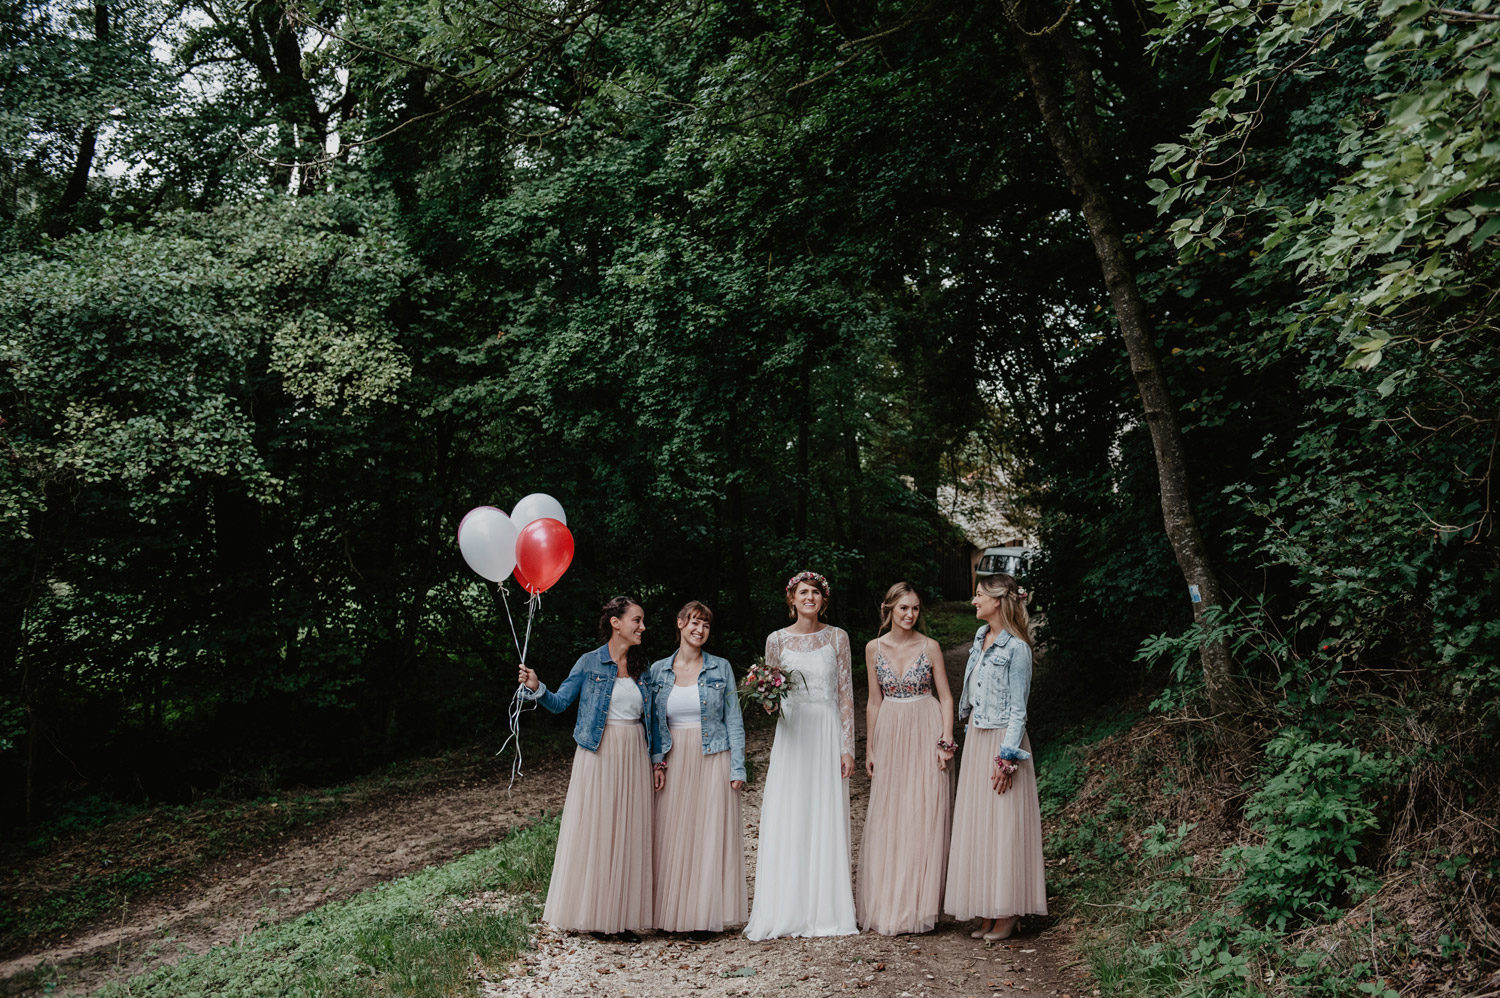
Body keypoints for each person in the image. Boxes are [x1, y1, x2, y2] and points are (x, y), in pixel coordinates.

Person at [518, 596, 664, 940]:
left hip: (634, 753)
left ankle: (624, 918)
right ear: (616, 622)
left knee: (630, 832)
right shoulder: (589, 662)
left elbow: (655, 721)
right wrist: (536, 687)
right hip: (598, 753)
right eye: (637, 620)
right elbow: (559, 703)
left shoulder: (644, 667)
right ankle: (597, 916)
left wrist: (658, 760)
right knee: (599, 831)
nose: (642, 627)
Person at [744, 570, 858, 940]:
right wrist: (764, 696)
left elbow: (845, 695)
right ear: (791, 599)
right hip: (792, 735)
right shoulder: (775, 640)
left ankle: (825, 909)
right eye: (803, 592)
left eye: (816, 592)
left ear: (824, 600)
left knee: (824, 812)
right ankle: (786, 908)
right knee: (791, 811)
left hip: (825, 730)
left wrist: (847, 747)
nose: (810, 597)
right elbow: (770, 698)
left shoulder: (838, 637)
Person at [944, 573, 1048, 941]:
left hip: (1003, 743)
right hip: (977, 738)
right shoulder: (979, 639)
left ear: (998, 600)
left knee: (1004, 827)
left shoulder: (1017, 648)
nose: (974, 601)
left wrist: (1007, 759)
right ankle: (987, 909)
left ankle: (1008, 912)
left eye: (978, 595)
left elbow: (1019, 711)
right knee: (980, 826)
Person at [856, 582, 955, 935]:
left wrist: (946, 739)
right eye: (903, 609)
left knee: (922, 811)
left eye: (915, 608)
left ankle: (919, 905)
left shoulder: (930, 647)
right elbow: (873, 701)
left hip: (925, 727)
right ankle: (888, 904)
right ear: (889, 609)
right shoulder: (873, 648)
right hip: (891, 731)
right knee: (890, 813)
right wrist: (870, 747)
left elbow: (946, 697)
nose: (910, 615)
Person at [645, 601, 748, 936]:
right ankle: (669, 915)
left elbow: (733, 718)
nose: (699, 630)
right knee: (671, 834)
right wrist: (656, 761)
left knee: (706, 834)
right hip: (674, 758)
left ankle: (702, 918)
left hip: (712, 755)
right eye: (694, 623)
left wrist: (737, 767)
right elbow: (652, 723)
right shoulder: (658, 671)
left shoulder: (721, 668)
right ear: (679, 624)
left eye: (705, 625)